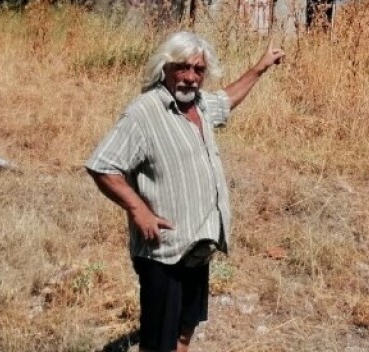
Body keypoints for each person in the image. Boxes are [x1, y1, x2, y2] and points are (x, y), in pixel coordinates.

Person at [86, 30, 285, 352]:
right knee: (159, 344)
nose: (190, 77)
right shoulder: (144, 112)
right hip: (164, 251)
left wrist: (260, 67)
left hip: (197, 246)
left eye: (198, 70)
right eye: (182, 67)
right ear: (165, 68)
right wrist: (138, 210)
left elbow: (227, 99)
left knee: (184, 331)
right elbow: (102, 165)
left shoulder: (200, 106)